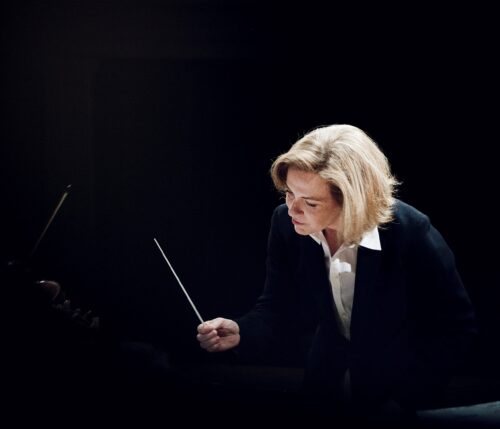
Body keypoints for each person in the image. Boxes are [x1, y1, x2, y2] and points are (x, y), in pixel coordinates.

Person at [196, 124, 476, 420]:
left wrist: (404, 400)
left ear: (352, 200)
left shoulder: (411, 233)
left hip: (399, 385)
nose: (292, 210)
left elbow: (456, 330)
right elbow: (278, 306)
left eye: (310, 202)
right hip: (325, 377)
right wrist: (241, 332)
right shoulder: (286, 225)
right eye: (289, 193)